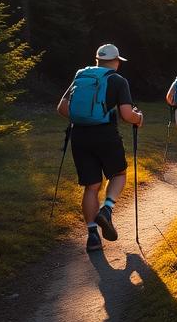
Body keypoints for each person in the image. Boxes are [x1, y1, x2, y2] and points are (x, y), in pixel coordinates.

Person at [57, 43, 144, 252]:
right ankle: (107, 209)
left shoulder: (81, 75)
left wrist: (83, 118)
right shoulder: (117, 80)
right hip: (105, 134)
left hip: (79, 135)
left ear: (97, 60)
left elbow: (61, 108)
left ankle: (92, 236)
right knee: (119, 173)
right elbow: (126, 114)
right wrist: (138, 118)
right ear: (115, 62)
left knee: (91, 185)